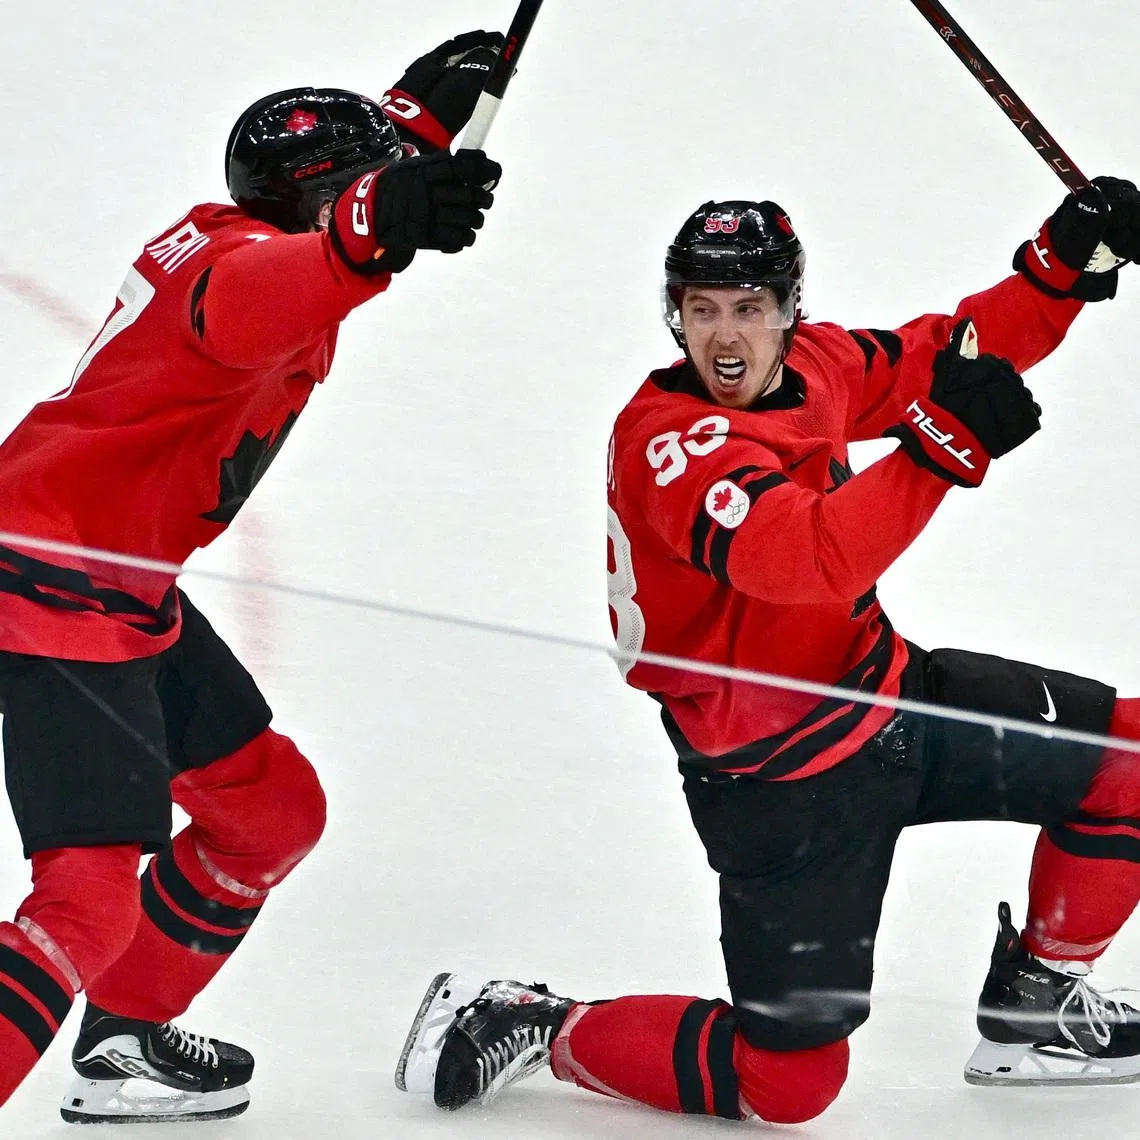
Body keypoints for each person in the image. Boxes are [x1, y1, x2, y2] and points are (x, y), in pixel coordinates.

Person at [396, 179, 1140, 1124]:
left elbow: (957, 349)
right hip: (781, 784)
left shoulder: (819, 365)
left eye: (749, 308)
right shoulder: (673, 443)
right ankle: (541, 1022)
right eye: (700, 310)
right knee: (788, 1087)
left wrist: (1061, 266)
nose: (725, 336)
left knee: (1130, 760)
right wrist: (942, 445)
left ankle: (1037, 1003)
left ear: (791, 310)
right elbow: (804, 558)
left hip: (897, 701)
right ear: (674, 316)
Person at [0, 30, 503, 1126]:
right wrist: (375, 227)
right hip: (52, 591)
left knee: (270, 812)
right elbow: (264, 293)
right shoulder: (242, 273)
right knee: (83, 902)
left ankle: (122, 1047)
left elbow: (325, 205)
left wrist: (414, 115)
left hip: (117, 591)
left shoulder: (253, 219)